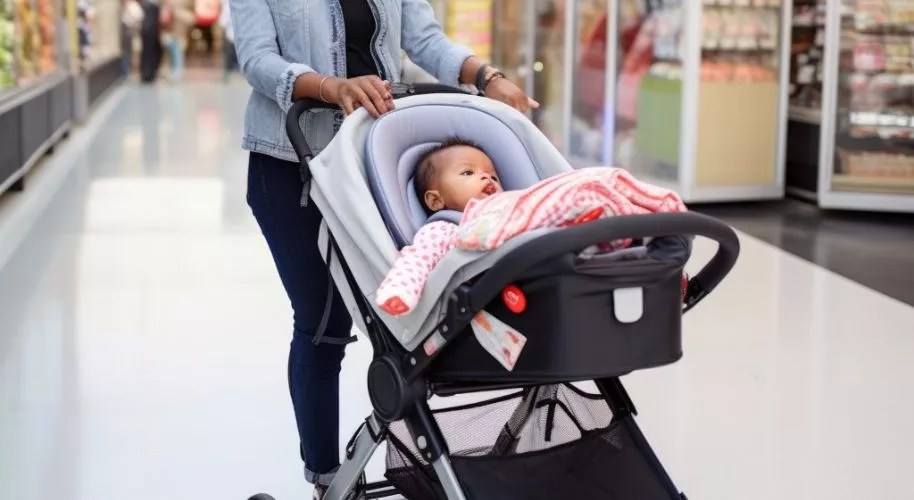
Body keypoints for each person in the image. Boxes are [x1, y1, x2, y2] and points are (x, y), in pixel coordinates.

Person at [229, 2, 538, 498]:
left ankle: (425, 453)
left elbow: (426, 40)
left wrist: (488, 77)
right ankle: (328, 478)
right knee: (324, 322)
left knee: (408, 316)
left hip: (366, 163)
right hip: (291, 164)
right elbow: (259, 60)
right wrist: (331, 87)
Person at [374, 137, 690, 317]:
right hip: (520, 278)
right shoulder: (444, 228)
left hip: (550, 243)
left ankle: (654, 264)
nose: (487, 178)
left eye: (492, 175)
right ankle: (633, 245)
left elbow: (531, 207)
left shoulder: (513, 204)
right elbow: (416, 260)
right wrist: (400, 292)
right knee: (589, 203)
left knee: (601, 192)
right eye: (468, 173)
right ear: (434, 199)